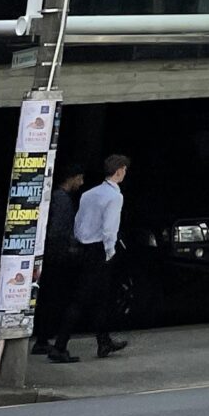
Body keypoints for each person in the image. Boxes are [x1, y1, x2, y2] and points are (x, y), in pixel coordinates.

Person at [51, 154, 129, 363]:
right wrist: (110, 252)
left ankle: (104, 340)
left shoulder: (89, 194)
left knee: (99, 297)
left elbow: (79, 222)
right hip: (100, 249)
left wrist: (79, 241)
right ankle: (59, 346)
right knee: (82, 298)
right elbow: (110, 228)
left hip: (85, 247)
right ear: (119, 171)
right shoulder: (114, 196)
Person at [32, 170, 84, 358]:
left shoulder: (55, 197)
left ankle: (42, 338)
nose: (81, 182)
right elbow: (60, 229)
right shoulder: (62, 199)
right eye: (79, 178)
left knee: (48, 298)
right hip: (58, 256)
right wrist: (68, 250)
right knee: (55, 298)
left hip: (52, 255)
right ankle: (44, 339)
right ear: (72, 177)